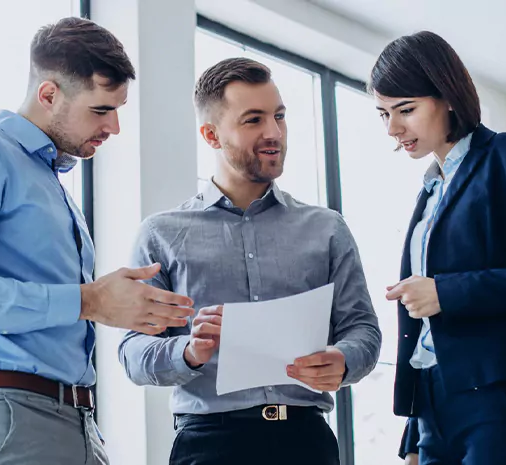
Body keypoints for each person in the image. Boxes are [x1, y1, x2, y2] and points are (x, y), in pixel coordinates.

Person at [0, 17, 194, 465]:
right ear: (49, 95)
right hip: (9, 421)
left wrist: (115, 305)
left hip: (76, 422)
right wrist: (88, 301)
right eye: (101, 110)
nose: (115, 127)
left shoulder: (52, 186)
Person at [117, 57, 382, 465]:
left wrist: (343, 360)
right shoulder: (161, 234)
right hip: (209, 445)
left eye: (279, 116)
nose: (274, 133)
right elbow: (133, 353)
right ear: (210, 134)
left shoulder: (326, 228)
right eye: (253, 119)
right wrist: (188, 352)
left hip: (307, 440)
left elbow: (362, 328)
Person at [370, 31, 506, 465]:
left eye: (406, 109)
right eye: (384, 113)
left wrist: (446, 292)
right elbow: (425, 336)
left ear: (448, 95)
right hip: (432, 410)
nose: (393, 128)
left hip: (503, 401)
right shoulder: (428, 193)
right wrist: (414, 434)